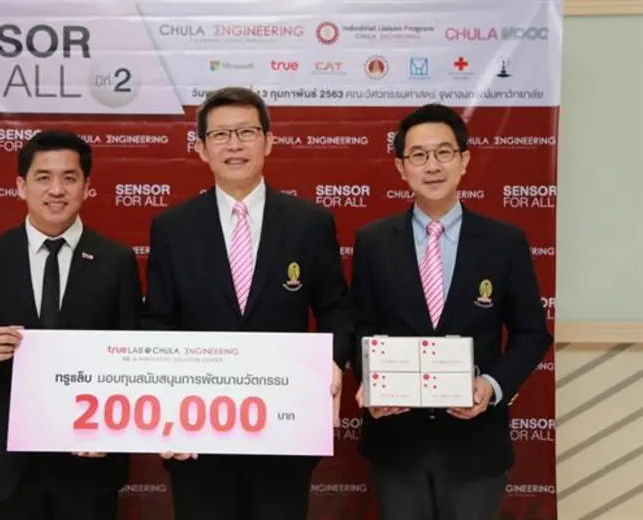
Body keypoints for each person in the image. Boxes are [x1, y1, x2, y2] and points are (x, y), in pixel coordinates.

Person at [142, 86, 355, 520]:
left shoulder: (309, 223)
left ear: (268, 141)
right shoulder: (172, 227)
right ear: (201, 148)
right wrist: (167, 402)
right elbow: (159, 321)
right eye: (220, 135)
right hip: (198, 434)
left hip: (284, 430)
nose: (234, 145)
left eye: (246, 132)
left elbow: (336, 308)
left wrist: (332, 362)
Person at [351, 103, 553, 520]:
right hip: (397, 441)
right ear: (401, 167)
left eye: (443, 152)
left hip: (476, 443)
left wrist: (492, 385)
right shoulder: (373, 241)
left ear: (464, 160)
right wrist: (371, 382)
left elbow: (531, 333)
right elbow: (360, 327)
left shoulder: (504, 242)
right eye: (418, 155)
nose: (432, 166)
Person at [0, 130, 142, 520]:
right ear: (21, 186)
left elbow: (133, 352)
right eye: (43, 177)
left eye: (69, 178)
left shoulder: (116, 260)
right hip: (6, 460)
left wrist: (112, 430)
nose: (56, 190)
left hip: (88, 457)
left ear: (86, 187)